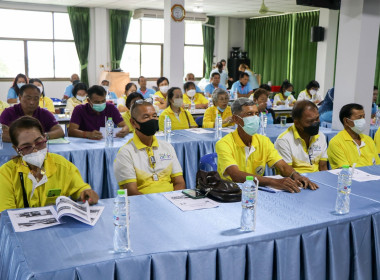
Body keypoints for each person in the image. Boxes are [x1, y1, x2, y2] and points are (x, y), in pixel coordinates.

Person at [215, 98, 318, 193]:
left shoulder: (263, 141)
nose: (255, 118)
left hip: (255, 192)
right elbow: (236, 175)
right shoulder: (224, 143)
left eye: (256, 113)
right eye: (249, 114)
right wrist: (273, 182)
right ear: (236, 119)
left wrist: (296, 176)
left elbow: (282, 166)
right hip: (231, 193)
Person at [0, 116, 98, 212]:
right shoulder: (6, 173)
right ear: (16, 150)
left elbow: (80, 189)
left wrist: (86, 194)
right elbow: (6, 215)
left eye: (39, 142)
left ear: (45, 138)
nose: (35, 150)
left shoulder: (61, 165)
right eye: (26, 147)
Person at [113, 100, 185, 195]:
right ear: (133, 123)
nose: (152, 120)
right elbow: (131, 192)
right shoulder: (125, 153)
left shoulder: (167, 147)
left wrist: (173, 201)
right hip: (144, 205)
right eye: (146, 117)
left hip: (172, 202)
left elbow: (180, 183)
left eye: (154, 116)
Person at [275, 100, 328, 173]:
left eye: (317, 118)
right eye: (310, 121)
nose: (315, 123)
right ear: (297, 123)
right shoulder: (284, 140)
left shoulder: (320, 136)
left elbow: (323, 166)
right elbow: (287, 173)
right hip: (296, 181)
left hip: (318, 179)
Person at [327, 103, 380, 169]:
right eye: (359, 117)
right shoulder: (336, 143)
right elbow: (345, 170)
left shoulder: (368, 140)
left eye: (364, 117)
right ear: (346, 121)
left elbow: (377, 165)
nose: (363, 120)